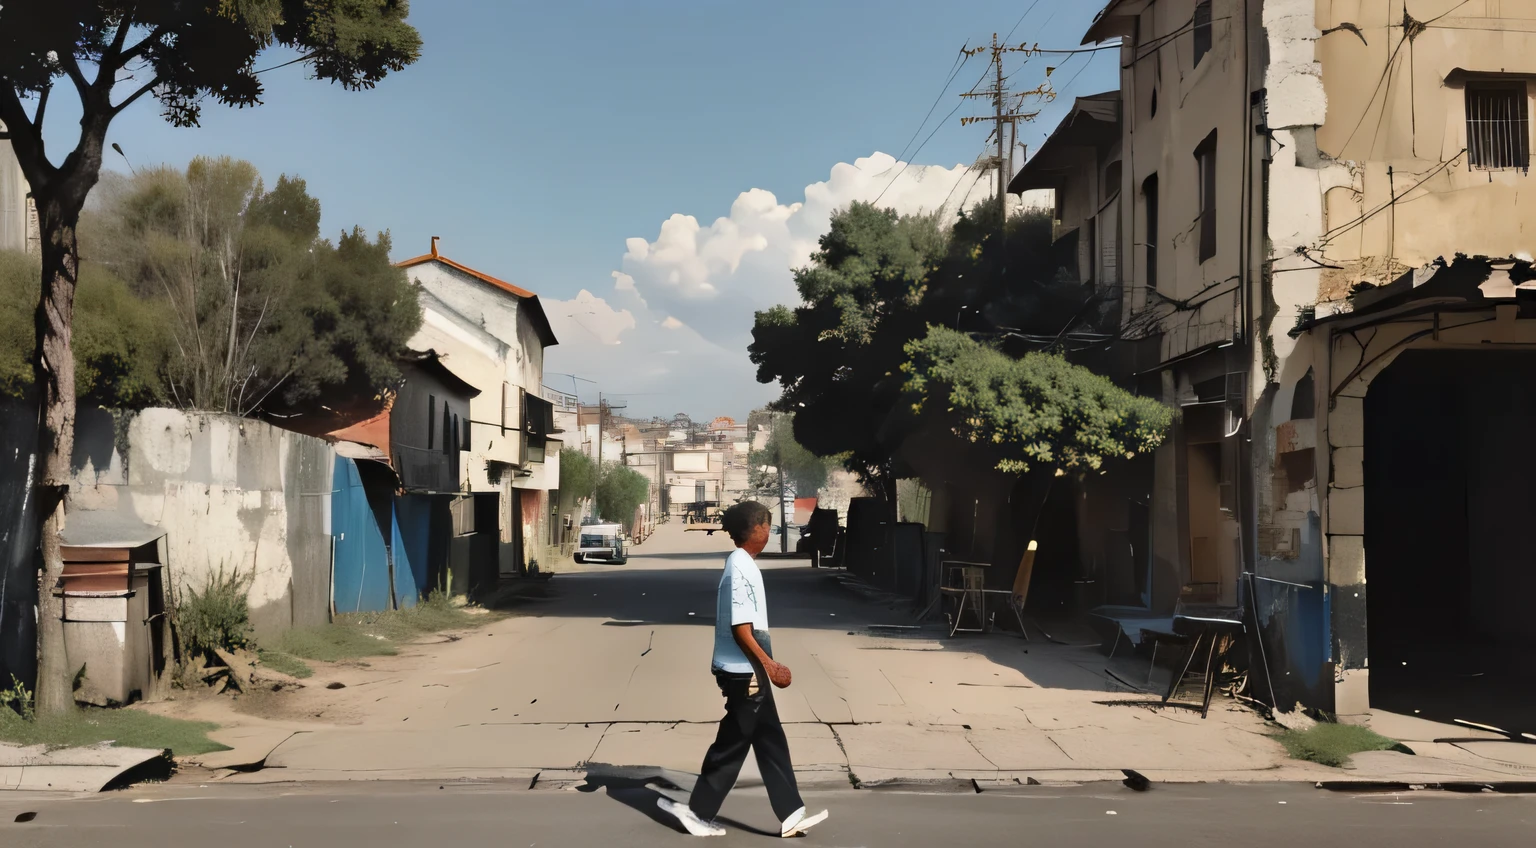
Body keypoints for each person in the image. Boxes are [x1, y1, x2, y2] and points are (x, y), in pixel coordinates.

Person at [658, 500, 828, 838]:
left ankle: (791, 813)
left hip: (748, 668)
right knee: (734, 743)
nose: (769, 532)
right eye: (767, 526)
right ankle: (696, 811)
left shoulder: (743, 563)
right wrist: (769, 665)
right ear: (756, 529)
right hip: (743, 670)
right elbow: (741, 628)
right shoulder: (740, 566)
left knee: (769, 738)